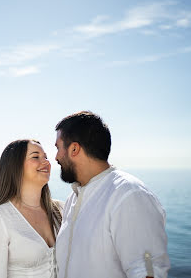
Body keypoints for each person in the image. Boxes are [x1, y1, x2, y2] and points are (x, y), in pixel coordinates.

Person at [54, 111, 170, 278]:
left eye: (58, 148)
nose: (56, 157)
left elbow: (147, 272)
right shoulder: (73, 198)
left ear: (74, 149)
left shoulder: (130, 196)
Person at [0, 139, 63, 278]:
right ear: (15, 166)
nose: (46, 162)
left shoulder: (60, 209)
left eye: (46, 157)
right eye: (36, 157)